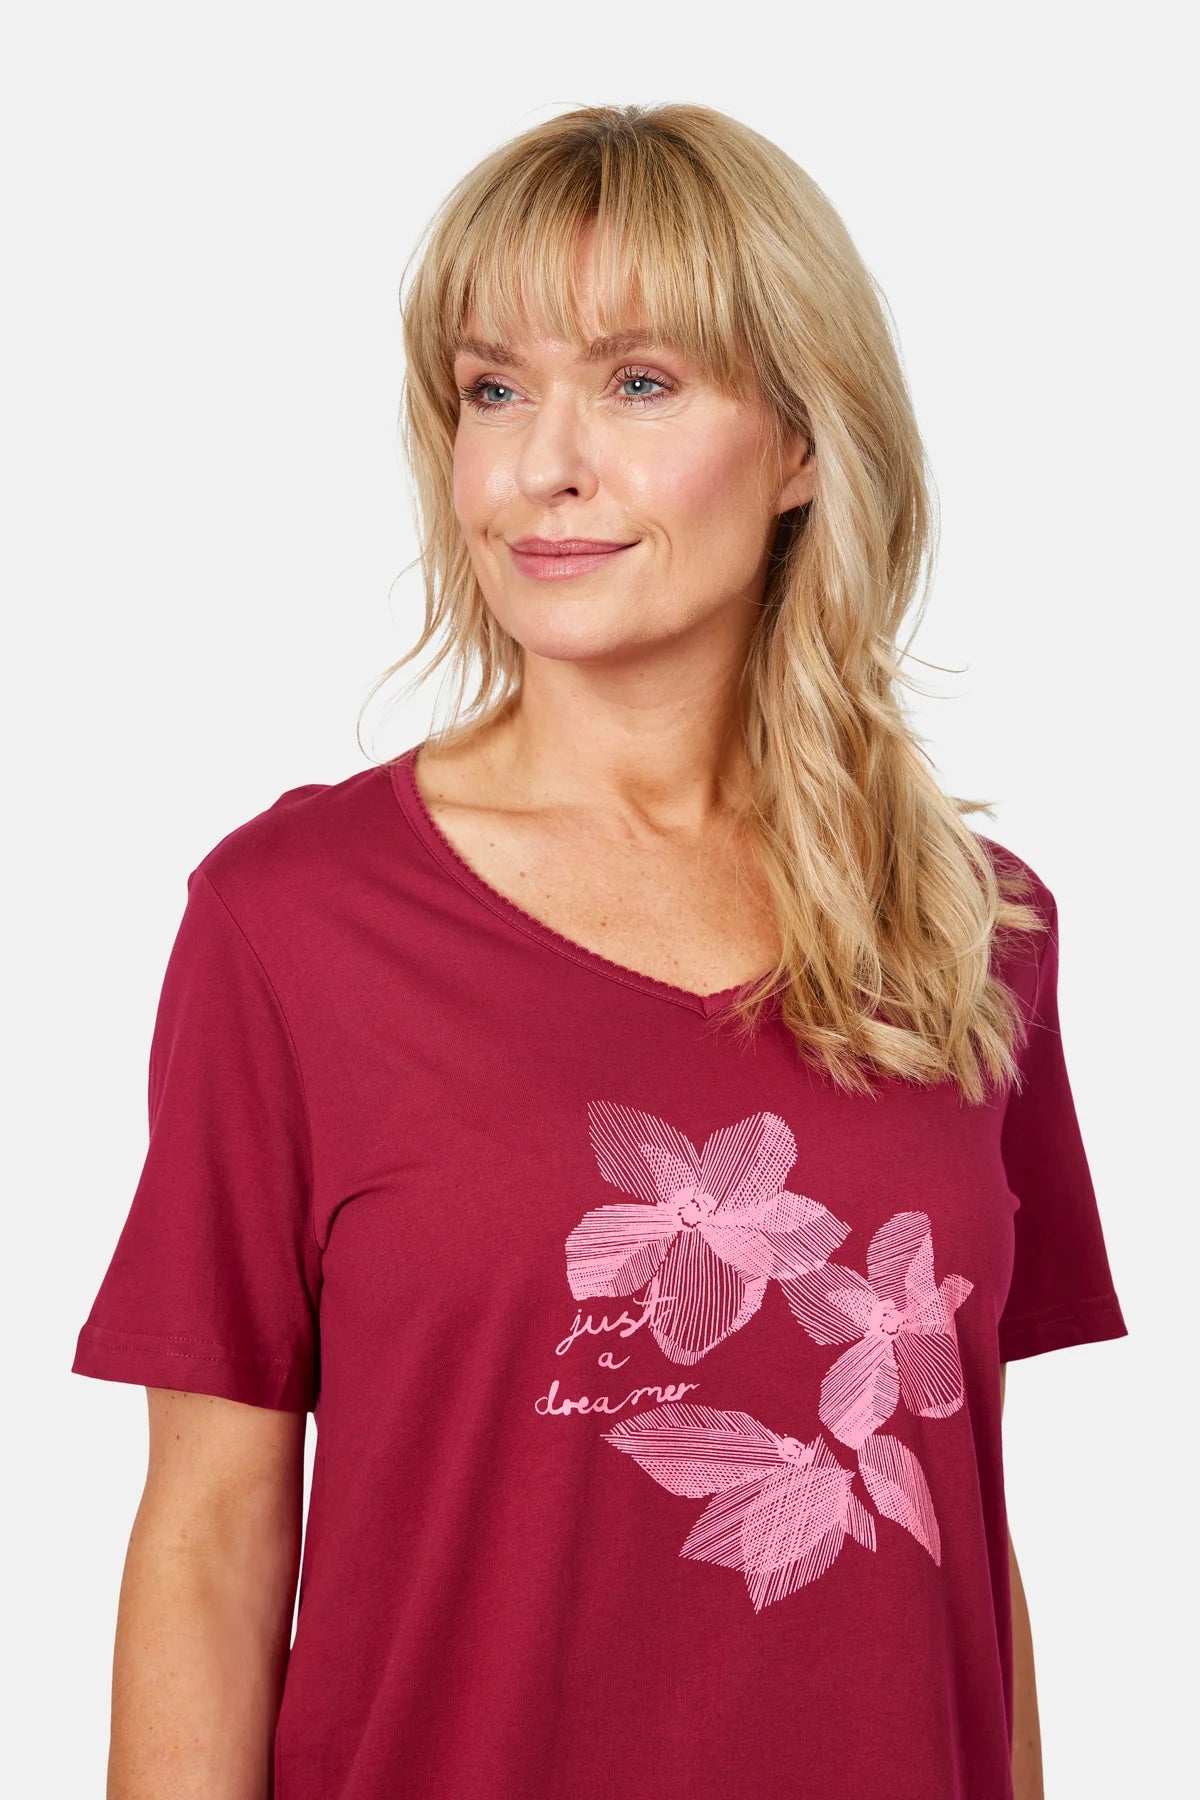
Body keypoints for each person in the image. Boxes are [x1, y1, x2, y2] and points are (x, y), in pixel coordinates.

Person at [71, 102, 1128, 1800]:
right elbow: (206, 1542)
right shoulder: (294, 921)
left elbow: (965, 1540)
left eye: (639, 382)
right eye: (494, 390)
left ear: (803, 446)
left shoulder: (968, 927)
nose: (539, 466)